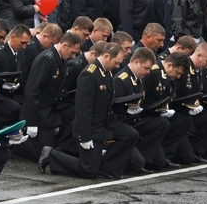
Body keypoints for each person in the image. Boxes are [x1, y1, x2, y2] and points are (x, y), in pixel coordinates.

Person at [39, 42, 138, 179]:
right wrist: (85, 137)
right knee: (88, 171)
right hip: (91, 128)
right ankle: (52, 154)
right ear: (107, 56)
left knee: (131, 135)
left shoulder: (107, 72)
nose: (118, 66)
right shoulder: (89, 74)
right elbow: (82, 109)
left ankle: (108, 169)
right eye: (116, 62)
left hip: (105, 122)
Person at [19, 32, 81, 161]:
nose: (73, 56)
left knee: (77, 113)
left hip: (52, 109)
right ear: (64, 45)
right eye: (72, 52)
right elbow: (32, 91)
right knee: (42, 153)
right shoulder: (46, 59)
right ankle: (16, 143)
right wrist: (31, 123)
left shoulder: (61, 59)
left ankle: (66, 146)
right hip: (39, 112)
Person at [113, 48, 170, 172]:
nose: (148, 72)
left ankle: (144, 157)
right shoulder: (121, 80)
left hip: (135, 121)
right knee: (137, 164)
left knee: (162, 125)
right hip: (123, 124)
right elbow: (114, 108)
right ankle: (133, 161)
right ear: (136, 62)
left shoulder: (139, 78)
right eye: (146, 68)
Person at [0, 24, 30, 127]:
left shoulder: (22, 55)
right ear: (13, 37)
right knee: (15, 108)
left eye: (26, 43)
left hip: (14, 93)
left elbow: (23, 78)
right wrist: (5, 84)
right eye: (22, 43)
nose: (24, 46)